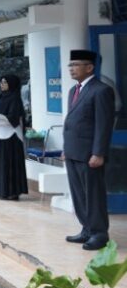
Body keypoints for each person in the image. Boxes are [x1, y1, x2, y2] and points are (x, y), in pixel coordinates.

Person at [63, 50, 116, 251]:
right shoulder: (73, 91)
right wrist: (66, 149)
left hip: (90, 154)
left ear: (89, 67)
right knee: (79, 194)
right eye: (70, 65)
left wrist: (99, 152)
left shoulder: (101, 90)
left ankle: (99, 233)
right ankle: (86, 229)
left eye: (76, 65)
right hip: (73, 152)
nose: (71, 69)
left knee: (93, 195)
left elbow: (103, 125)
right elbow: (73, 122)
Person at [0, 74, 28, 201]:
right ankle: (3, 191)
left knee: (11, 165)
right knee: (2, 165)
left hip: (12, 136)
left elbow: (12, 118)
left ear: (11, 84)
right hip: (0, 134)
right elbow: (0, 114)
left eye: (5, 82)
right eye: (1, 82)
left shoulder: (15, 98)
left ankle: (13, 192)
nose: (2, 84)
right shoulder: (1, 97)